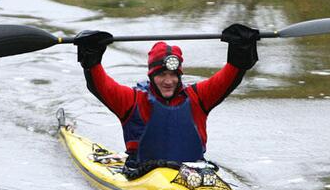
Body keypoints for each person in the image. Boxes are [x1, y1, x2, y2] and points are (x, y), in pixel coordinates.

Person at [73, 23, 260, 171]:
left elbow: (230, 74)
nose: (168, 81)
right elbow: (100, 85)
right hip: (144, 176)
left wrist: (240, 49)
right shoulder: (131, 101)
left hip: (192, 173)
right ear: (151, 76)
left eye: (173, 75)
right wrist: (91, 58)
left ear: (180, 76)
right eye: (161, 74)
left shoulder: (198, 97)